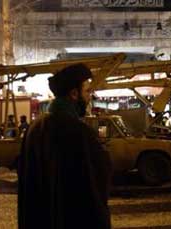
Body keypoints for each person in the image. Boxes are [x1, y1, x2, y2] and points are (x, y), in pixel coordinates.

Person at [18, 64, 112, 229]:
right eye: (87, 91)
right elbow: (94, 183)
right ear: (74, 94)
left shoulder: (34, 128)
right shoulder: (79, 132)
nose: (90, 96)